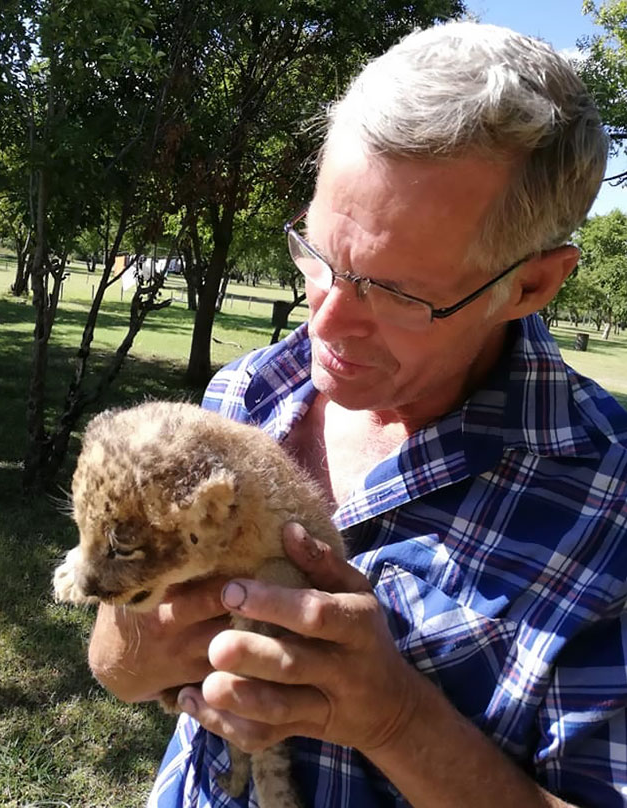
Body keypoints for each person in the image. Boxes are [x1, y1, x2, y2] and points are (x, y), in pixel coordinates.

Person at [88, 21, 627, 808]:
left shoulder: (608, 510)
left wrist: (398, 720)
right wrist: (135, 638)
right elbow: (118, 666)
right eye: (319, 254)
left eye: (399, 292)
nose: (327, 326)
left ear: (533, 286)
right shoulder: (248, 396)